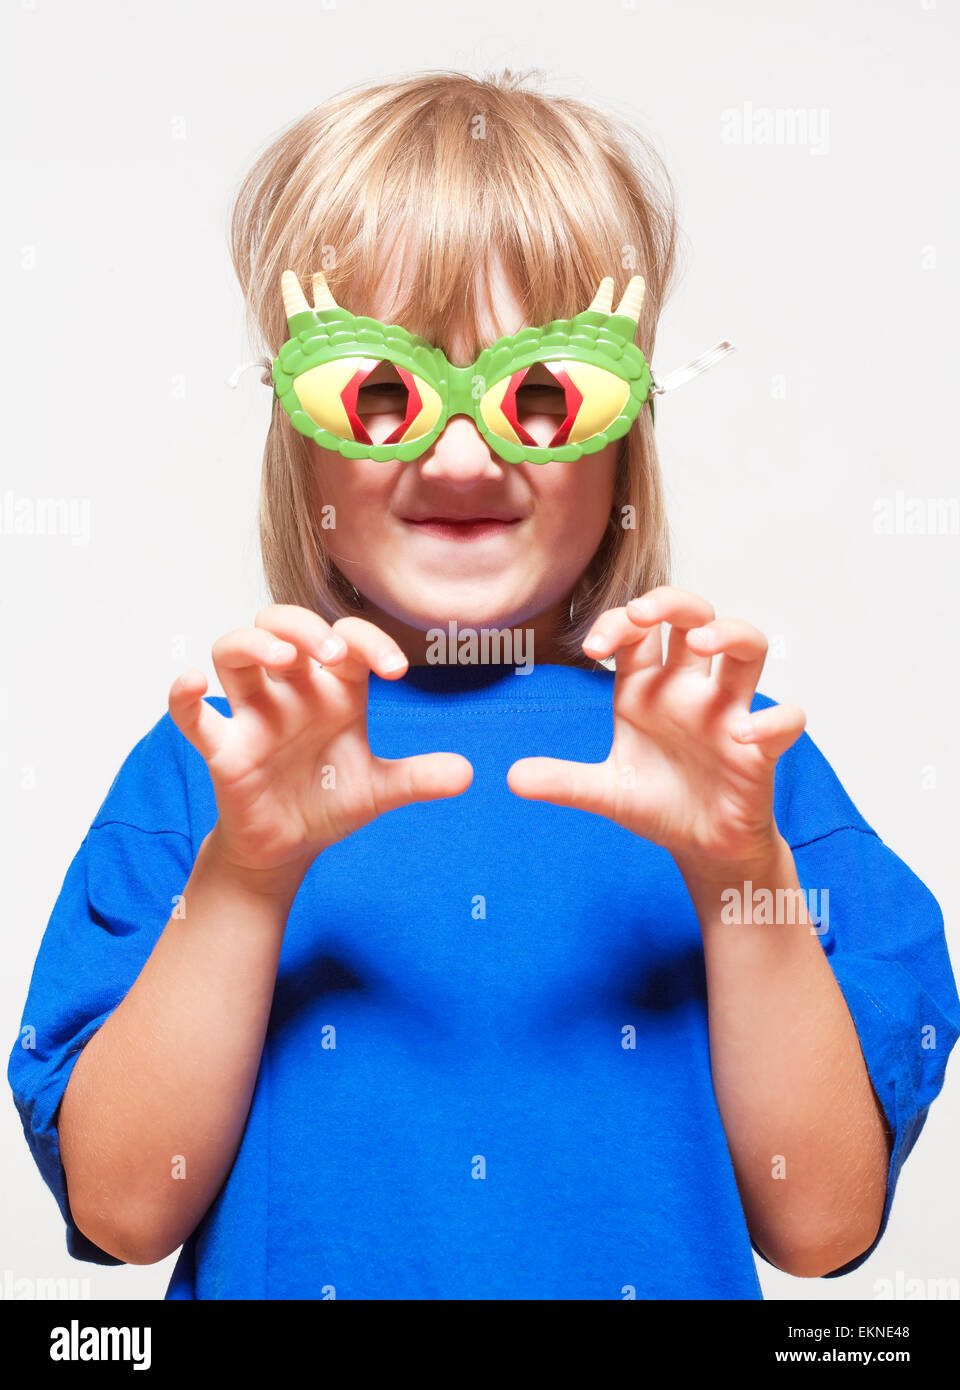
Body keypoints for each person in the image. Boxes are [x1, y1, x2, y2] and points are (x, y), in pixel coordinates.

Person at [9, 69, 960, 1300]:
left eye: (543, 395)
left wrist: (741, 879)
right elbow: (124, 1209)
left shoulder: (728, 761)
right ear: (300, 436)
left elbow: (825, 1221)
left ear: (628, 431)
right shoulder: (222, 759)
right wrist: (246, 880)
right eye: (386, 393)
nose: (461, 452)